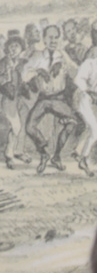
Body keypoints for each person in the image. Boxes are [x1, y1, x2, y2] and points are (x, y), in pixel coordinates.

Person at [21, 24, 80, 174]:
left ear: (59, 39)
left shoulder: (63, 55)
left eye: (56, 37)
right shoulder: (38, 56)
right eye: (50, 37)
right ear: (44, 39)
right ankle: (44, 153)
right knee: (29, 127)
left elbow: (76, 74)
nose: (53, 40)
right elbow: (24, 75)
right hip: (43, 98)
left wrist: (63, 62)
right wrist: (37, 71)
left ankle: (57, 156)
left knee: (72, 123)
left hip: (59, 99)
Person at [0, 34, 31, 169]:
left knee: (22, 126)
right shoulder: (4, 62)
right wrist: (5, 79)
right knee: (15, 126)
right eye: (11, 47)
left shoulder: (23, 62)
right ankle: (9, 155)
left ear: (21, 48)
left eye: (17, 46)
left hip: (21, 98)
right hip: (9, 98)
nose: (14, 49)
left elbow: (26, 77)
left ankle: (18, 152)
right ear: (7, 48)